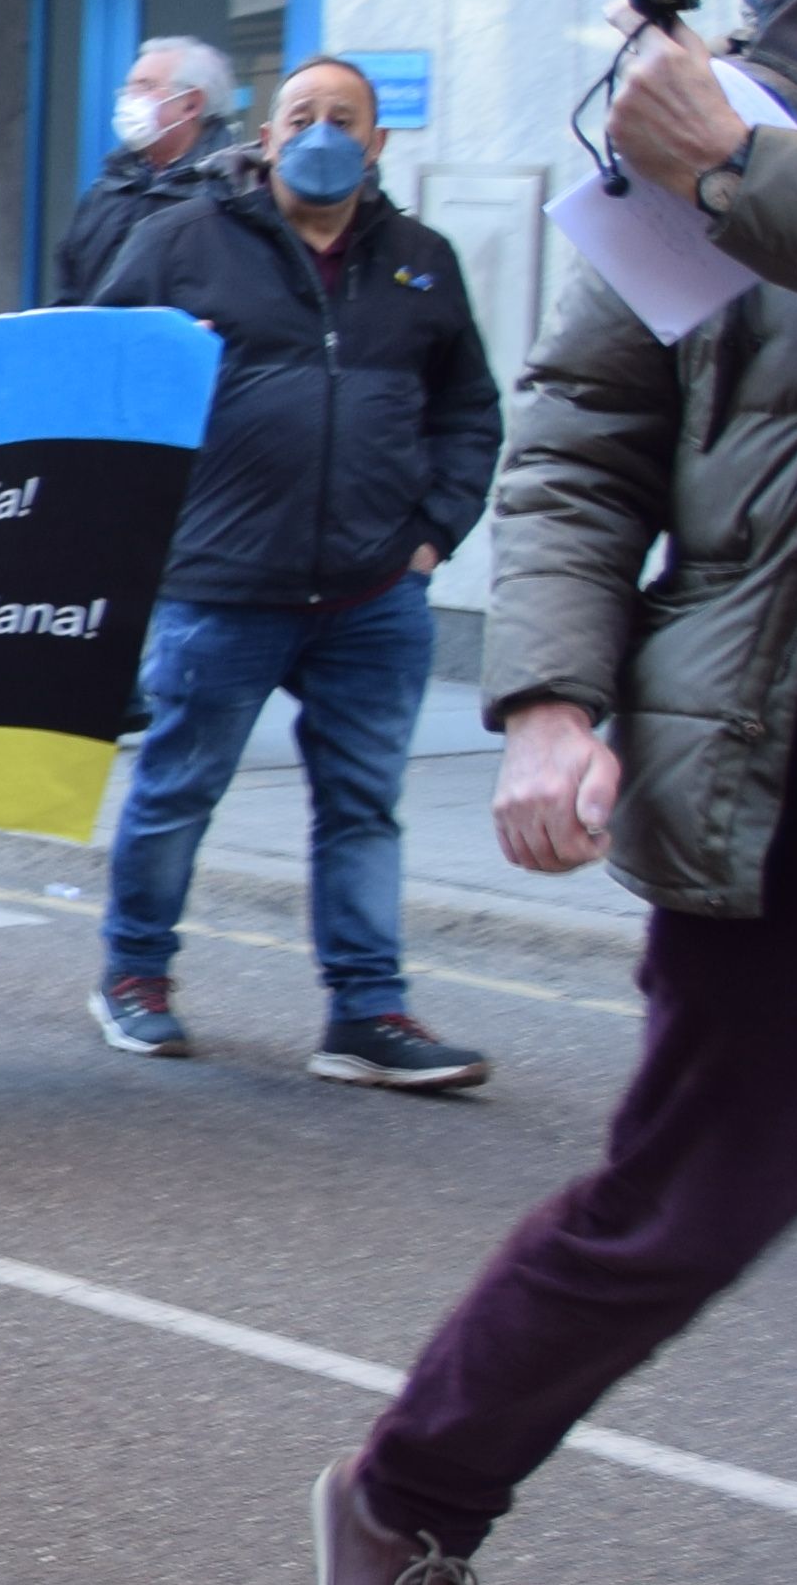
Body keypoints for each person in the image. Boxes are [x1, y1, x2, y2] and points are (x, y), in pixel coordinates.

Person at [317, 0, 797, 1585]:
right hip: (787, 767)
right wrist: (546, 697)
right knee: (687, 1206)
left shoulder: (739, 142)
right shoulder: (739, 99)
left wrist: (756, 176)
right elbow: (589, 447)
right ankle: (419, 1496)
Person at [82, 53, 501, 1088]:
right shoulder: (180, 242)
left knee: (362, 805)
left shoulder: (422, 260)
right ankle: (135, 977)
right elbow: (107, 381)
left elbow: (467, 412)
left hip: (372, 594)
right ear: (267, 135)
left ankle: (367, 1011)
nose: (322, 131)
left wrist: (432, 536)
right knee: (178, 791)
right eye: (302, 113)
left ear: (378, 141)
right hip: (222, 586)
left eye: (344, 117)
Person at [56, 33, 250, 305]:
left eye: (145, 87)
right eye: (128, 88)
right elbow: (71, 288)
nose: (128, 100)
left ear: (191, 104)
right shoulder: (109, 186)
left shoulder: (232, 192)